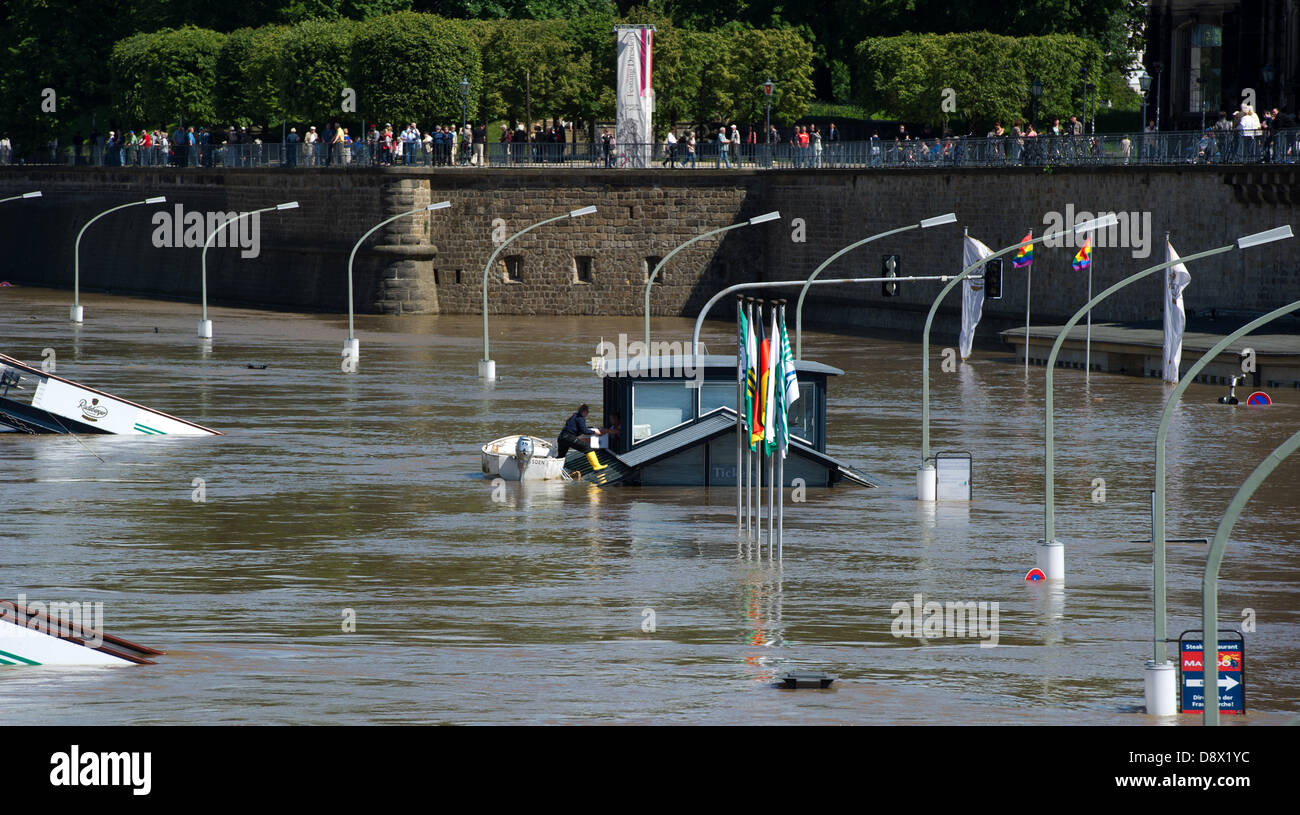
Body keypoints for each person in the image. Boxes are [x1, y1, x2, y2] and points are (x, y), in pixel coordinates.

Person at [557, 404, 606, 470]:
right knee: (588, 448)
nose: (588, 413)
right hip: (569, 438)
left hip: (561, 438)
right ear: (585, 411)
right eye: (588, 412)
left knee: (561, 456)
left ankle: (556, 469)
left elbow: (575, 427)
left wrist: (589, 429)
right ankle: (596, 466)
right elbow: (584, 431)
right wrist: (595, 432)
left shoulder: (574, 416)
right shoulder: (580, 418)